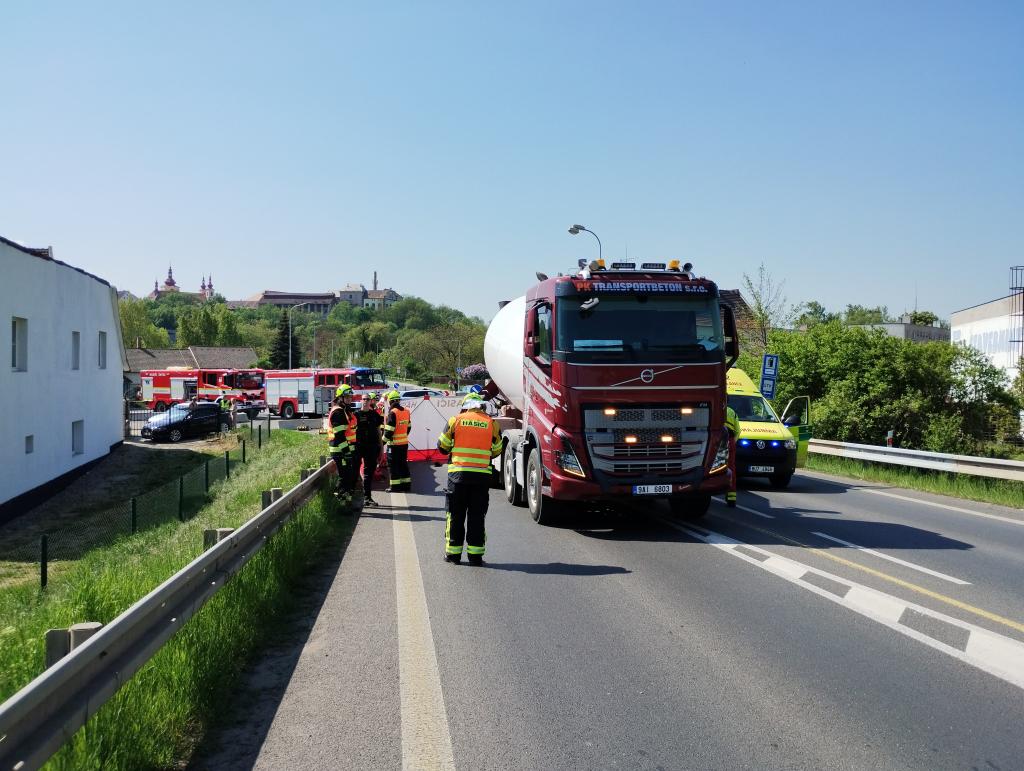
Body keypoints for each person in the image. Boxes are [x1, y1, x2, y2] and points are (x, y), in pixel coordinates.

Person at [436, 392, 502, 566]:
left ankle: (453, 555)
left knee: (455, 515)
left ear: (465, 406)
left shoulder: (455, 420)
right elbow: (497, 450)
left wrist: (455, 446)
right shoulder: (492, 424)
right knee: (477, 516)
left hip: (457, 477)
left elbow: (442, 446)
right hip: (481, 479)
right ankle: (475, 556)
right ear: (480, 406)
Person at [328, 385, 359, 510]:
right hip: (340, 450)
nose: (349, 399)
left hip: (346, 449)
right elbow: (339, 435)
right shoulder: (338, 412)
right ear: (340, 397)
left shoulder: (344, 410)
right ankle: (340, 504)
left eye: (350, 397)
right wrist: (346, 452)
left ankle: (347, 502)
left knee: (348, 477)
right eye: (346, 397)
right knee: (344, 477)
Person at [354, 391, 385, 506]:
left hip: (372, 448)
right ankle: (352, 499)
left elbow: (378, 432)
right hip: (358, 447)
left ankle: (367, 498)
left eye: (368, 399)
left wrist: (381, 448)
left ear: (370, 401)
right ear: (361, 401)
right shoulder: (356, 415)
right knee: (354, 472)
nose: (366, 401)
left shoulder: (375, 415)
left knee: (369, 474)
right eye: (364, 399)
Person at [383, 390, 411, 492]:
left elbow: (389, 431)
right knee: (403, 464)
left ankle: (395, 487)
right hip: (404, 444)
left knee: (393, 466)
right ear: (399, 401)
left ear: (390, 401)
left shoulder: (392, 412)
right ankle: (406, 485)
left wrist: (382, 442)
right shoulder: (406, 411)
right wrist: (403, 436)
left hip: (394, 445)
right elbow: (409, 427)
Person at [725, 405, 739, 507]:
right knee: (731, 468)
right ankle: (731, 497)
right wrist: (733, 442)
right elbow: (738, 431)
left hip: (716, 441)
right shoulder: (732, 412)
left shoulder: (716, 407)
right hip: (730, 440)